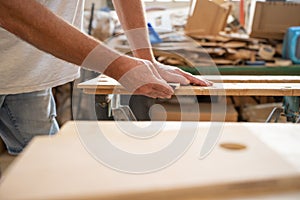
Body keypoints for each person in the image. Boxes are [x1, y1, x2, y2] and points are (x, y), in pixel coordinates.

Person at [0, 0, 212, 155]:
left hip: (29, 69)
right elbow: (9, 8)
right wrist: (119, 66)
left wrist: (147, 60)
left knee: (47, 167)